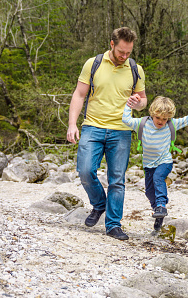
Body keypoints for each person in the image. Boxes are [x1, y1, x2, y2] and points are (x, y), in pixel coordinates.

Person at [67, 27, 147, 241]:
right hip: (92, 126)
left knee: (117, 180)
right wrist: (72, 124)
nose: (124, 56)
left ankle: (113, 225)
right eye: (121, 51)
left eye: (128, 52)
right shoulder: (92, 64)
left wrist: (139, 103)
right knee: (84, 170)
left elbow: (143, 101)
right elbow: (79, 94)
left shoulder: (135, 69)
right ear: (112, 44)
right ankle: (99, 204)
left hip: (121, 131)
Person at [122, 95, 188, 232]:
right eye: (158, 118)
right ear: (152, 113)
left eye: (165, 119)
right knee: (149, 191)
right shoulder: (142, 123)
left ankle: (161, 205)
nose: (161, 121)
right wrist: (129, 105)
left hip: (164, 161)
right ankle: (158, 214)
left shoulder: (172, 124)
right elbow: (126, 119)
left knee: (158, 178)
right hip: (148, 164)